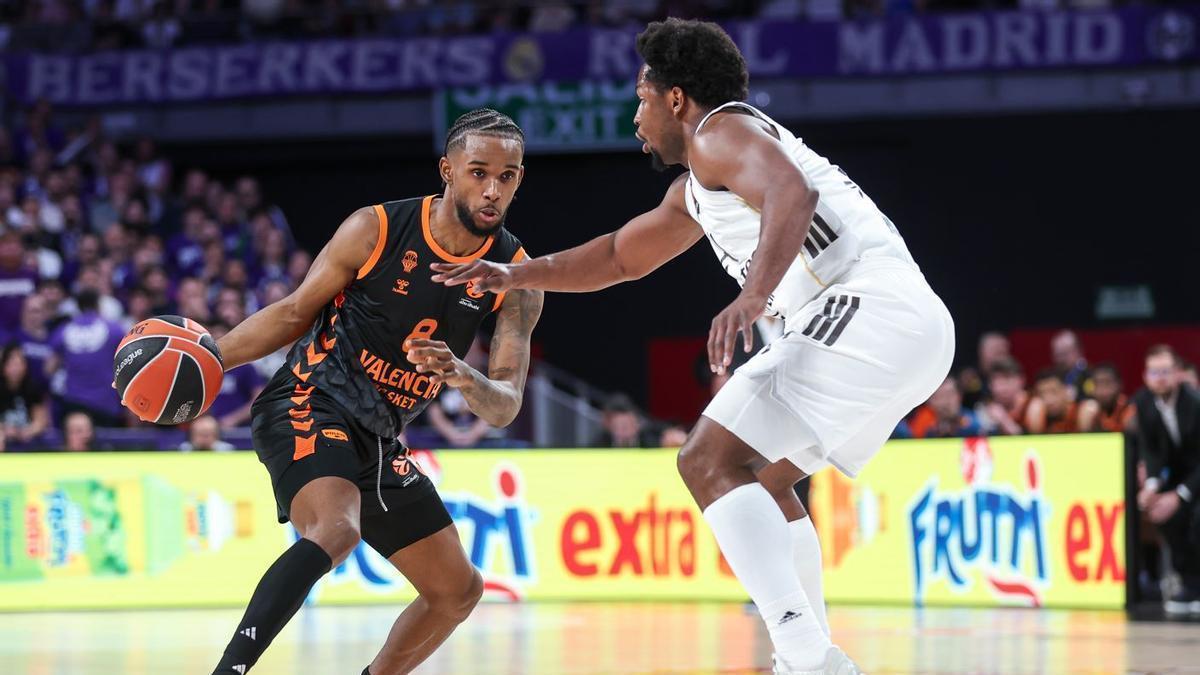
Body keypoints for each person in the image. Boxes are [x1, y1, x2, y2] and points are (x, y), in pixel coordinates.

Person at [431, 19, 952, 674]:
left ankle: (805, 655)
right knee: (761, 477)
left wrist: (754, 294)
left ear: (675, 98)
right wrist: (514, 273)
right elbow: (618, 257)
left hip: (868, 311)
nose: (636, 115)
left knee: (705, 457)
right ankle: (807, 653)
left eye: (642, 97)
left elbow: (794, 193)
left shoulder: (720, 131)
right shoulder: (697, 187)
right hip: (910, 328)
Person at [198, 108, 543, 675]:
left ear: (519, 180)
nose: (492, 189)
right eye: (479, 172)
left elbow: (504, 405)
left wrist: (463, 374)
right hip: (310, 399)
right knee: (337, 530)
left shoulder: (517, 276)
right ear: (447, 171)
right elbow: (292, 313)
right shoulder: (376, 228)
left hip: (379, 437)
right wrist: (213, 361)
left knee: (457, 590)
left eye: (506, 177)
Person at [1133, 345, 1200, 615]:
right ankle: (1190, 583)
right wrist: (1151, 486)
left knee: (1196, 517)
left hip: (1196, 475)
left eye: (1165, 371)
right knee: (1165, 515)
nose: (1160, 377)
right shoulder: (1143, 403)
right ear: (1145, 376)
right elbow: (1151, 451)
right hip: (1176, 475)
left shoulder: (1194, 403)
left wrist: (1180, 495)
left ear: (1178, 374)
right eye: (1154, 372)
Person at [0, 344, 51, 447]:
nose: (16, 369)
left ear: (25, 366)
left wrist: (26, 432)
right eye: (11, 364)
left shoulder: (34, 388)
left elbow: (41, 421)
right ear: (3, 367)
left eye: (19, 364)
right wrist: (5, 430)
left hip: (28, 437)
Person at [1025, 369, 1099, 434]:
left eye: (1054, 392)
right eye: (1042, 394)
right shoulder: (1037, 415)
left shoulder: (1081, 412)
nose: (1049, 400)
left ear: (1067, 391)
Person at [908, 376, 982, 439]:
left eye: (950, 394)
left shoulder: (971, 420)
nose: (946, 401)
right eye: (941, 396)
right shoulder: (923, 421)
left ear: (959, 396)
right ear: (931, 401)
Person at [977, 357, 1029, 436]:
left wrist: (1004, 420)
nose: (1002, 388)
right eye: (998, 382)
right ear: (990, 385)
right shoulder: (984, 409)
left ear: (1021, 380)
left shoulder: (1033, 405)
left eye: (1007, 379)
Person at [592, 392, 659, 448]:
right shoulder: (599, 445)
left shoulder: (652, 444)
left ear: (637, 426)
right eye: (617, 427)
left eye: (625, 426)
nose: (621, 432)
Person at [1087, 363, 1134, 433]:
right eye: (1098, 384)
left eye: (1107, 383)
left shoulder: (1130, 411)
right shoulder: (1089, 412)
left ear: (1119, 384)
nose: (1102, 390)